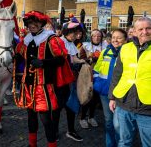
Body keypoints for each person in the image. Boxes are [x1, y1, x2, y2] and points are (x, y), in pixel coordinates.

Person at [15, 10, 70, 147]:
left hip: (43, 86)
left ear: (41, 23)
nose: (32, 25)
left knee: (46, 120)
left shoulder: (51, 39)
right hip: (27, 85)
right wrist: (13, 57)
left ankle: (51, 145)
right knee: (31, 118)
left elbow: (61, 60)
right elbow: (20, 56)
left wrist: (43, 63)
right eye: (29, 23)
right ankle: (32, 144)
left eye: (35, 22)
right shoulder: (26, 40)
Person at [109, 17, 151, 147]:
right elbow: (117, 74)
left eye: (148, 28)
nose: (145, 31)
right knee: (124, 142)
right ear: (134, 32)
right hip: (124, 104)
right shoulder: (125, 48)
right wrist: (112, 97)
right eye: (141, 29)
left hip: (147, 108)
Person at [93, 29, 127, 147]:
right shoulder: (105, 51)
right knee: (108, 122)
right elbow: (96, 69)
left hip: (122, 94)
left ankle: (120, 144)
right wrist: (97, 83)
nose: (115, 40)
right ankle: (110, 144)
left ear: (125, 40)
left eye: (119, 38)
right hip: (105, 93)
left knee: (118, 124)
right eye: (113, 37)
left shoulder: (129, 53)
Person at [53, 22, 85, 142]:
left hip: (71, 79)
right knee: (57, 106)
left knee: (71, 105)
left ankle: (71, 130)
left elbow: (74, 58)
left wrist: (83, 61)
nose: (75, 35)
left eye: (76, 33)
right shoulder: (58, 42)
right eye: (73, 33)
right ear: (66, 32)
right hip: (59, 80)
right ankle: (54, 130)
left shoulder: (71, 43)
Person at [79, 29, 107, 128]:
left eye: (98, 36)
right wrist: (90, 59)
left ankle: (91, 117)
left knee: (95, 99)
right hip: (87, 75)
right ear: (91, 37)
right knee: (86, 97)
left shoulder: (105, 46)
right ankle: (82, 118)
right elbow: (80, 59)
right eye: (94, 36)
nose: (96, 38)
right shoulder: (85, 46)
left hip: (100, 76)